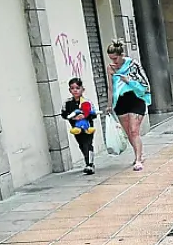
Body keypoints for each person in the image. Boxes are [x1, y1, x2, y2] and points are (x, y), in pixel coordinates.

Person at [106, 40, 151, 171]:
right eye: (111, 58)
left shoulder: (132, 64)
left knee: (134, 130)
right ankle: (139, 154)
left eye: (115, 58)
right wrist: (109, 104)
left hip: (136, 98)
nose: (114, 61)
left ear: (121, 55)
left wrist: (129, 81)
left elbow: (145, 83)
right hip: (120, 102)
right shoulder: (110, 68)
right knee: (129, 133)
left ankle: (138, 159)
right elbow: (111, 88)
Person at [60, 78, 97, 175]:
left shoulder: (87, 102)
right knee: (81, 144)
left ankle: (90, 164)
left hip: (87, 127)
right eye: (72, 88)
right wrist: (73, 118)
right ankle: (87, 161)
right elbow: (64, 114)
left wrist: (85, 116)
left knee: (88, 144)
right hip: (76, 128)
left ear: (82, 89)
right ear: (69, 90)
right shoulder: (67, 103)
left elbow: (94, 114)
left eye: (77, 88)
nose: (75, 90)